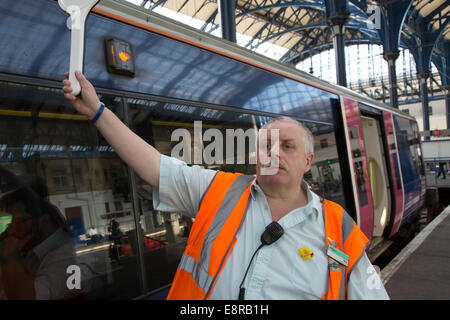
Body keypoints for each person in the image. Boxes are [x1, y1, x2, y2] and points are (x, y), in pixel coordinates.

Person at [62, 71, 389, 300]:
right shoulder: (218, 191)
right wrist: (97, 111)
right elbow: (154, 165)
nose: (274, 153)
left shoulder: (339, 229)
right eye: (266, 146)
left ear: (308, 160)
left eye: (287, 146)